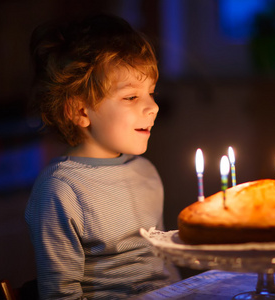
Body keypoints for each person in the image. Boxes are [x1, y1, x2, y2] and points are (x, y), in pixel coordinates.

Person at [25, 13, 179, 299]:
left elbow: (162, 268)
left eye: (151, 93)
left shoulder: (146, 172)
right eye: (131, 97)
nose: (153, 107)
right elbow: (61, 293)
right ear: (80, 111)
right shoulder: (61, 190)